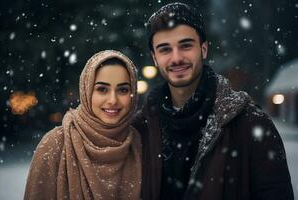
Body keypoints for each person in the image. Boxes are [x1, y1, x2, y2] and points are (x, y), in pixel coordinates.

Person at [133, 2, 294, 200]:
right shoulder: (141, 129)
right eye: (165, 49)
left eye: (185, 45)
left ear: (204, 49)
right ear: (155, 58)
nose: (176, 58)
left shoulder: (251, 125)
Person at [24, 50, 142, 200]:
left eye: (123, 90)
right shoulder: (55, 145)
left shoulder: (140, 144)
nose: (113, 100)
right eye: (102, 89)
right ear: (86, 90)